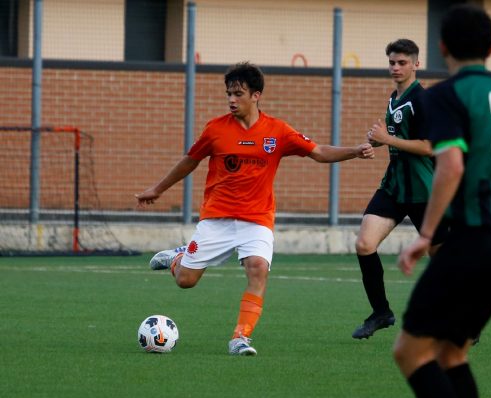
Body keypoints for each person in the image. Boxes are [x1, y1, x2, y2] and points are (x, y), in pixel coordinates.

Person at [135, 62, 375, 356]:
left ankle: (240, 338)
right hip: (217, 218)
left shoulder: (278, 131)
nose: (231, 99)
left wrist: (354, 150)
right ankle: (178, 259)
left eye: (238, 93)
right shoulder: (216, 130)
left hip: (257, 219)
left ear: (256, 95)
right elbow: (189, 160)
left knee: (258, 269)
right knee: (186, 281)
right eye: (229, 94)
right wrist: (157, 189)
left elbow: (318, 152)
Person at [394, 4, 491, 398]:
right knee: (451, 352)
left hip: (473, 240)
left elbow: (451, 166)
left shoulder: (446, 95)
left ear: (442, 46)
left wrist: (424, 234)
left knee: (410, 352)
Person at [352, 38, 448, 340]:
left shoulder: (424, 100)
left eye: (402, 62)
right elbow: (399, 135)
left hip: (424, 190)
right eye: (392, 62)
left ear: (416, 64)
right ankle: (381, 312)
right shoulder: (394, 98)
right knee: (364, 244)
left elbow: (430, 146)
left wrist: (389, 139)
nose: (395, 67)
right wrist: (378, 141)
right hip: (394, 186)